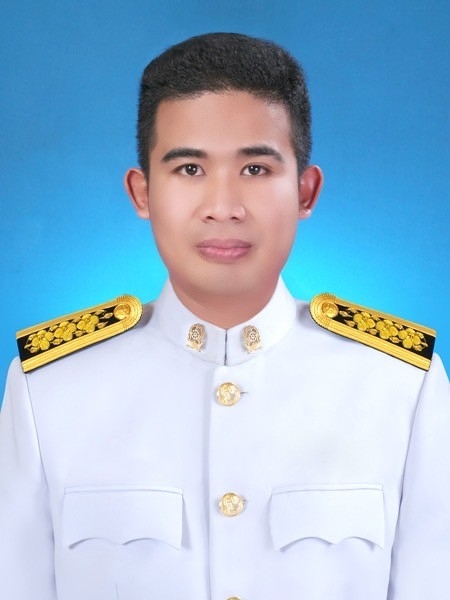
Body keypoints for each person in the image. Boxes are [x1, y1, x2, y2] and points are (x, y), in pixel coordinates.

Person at [0, 32, 449, 600]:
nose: (224, 207)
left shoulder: (401, 385)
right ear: (142, 193)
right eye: (189, 169)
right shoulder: (48, 389)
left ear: (306, 191)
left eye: (255, 169)